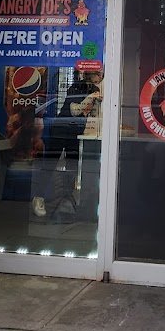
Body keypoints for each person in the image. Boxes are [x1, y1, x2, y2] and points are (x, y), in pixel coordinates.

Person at [31, 69, 103, 219]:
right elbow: (74, 110)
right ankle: (39, 198)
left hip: (76, 132)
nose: (101, 76)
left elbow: (92, 113)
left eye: (101, 74)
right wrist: (91, 97)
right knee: (50, 164)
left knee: (72, 167)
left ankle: (66, 200)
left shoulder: (94, 90)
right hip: (61, 129)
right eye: (98, 73)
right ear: (90, 74)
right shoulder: (76, 87)